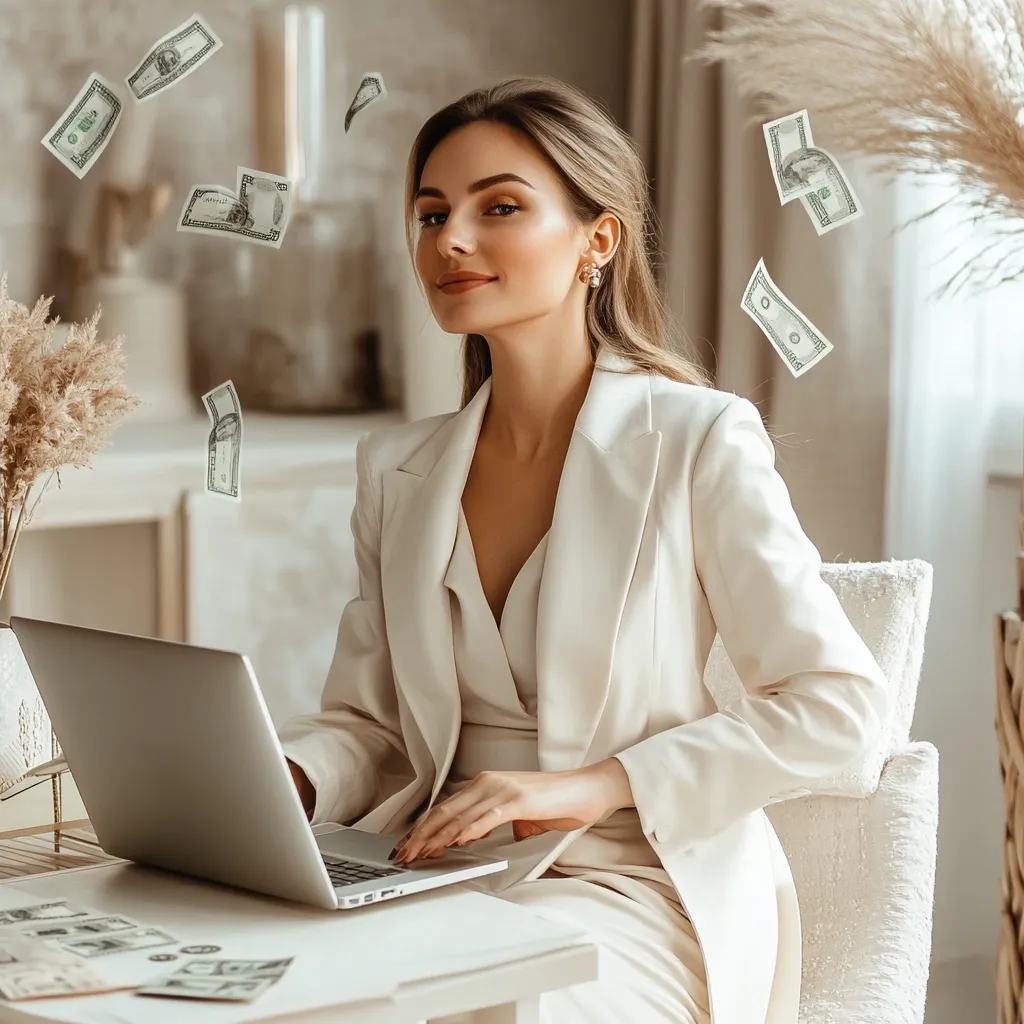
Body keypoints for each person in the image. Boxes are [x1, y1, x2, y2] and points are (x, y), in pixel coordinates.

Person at [279, 75, 887, 1024]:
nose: (451, 240)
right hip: (429, 870)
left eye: (501, 207)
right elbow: (372, 724)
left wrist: (597, 784)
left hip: (633, 882)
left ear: (597, 241)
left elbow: (841, 709)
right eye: (432, 213)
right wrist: (294, 775)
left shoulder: (699, 440)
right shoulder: (396, 467)